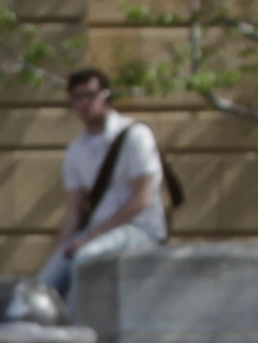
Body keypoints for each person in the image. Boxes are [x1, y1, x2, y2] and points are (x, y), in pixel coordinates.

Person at [38, 63, 166, 308]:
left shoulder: (135, 135)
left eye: (90, 95)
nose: (84, 103)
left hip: (140, 228)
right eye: (77, 98)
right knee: (46, 280)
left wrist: (88, 239)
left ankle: (75, 333)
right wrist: (62, 249)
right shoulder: (76, 149)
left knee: (85, 259)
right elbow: (73, 210)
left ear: (106, 96)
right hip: (99, 231)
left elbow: (142, 199)